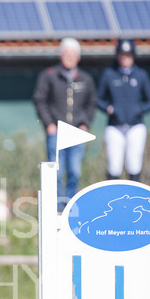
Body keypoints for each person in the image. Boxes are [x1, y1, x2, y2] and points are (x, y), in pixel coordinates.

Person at [33, 37, 96, 210]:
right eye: (66, 53)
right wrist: (49, 124)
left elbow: (92, 103)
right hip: (56, 132)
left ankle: (69, 207)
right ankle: (55, 208)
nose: (69, 57)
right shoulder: (49, 76)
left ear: (78, 57)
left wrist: (85, 124)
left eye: (73, 54)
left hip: (77, 132)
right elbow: (40, 100)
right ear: (61, 55)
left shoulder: (86, 79)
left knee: (75, 171)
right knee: (56, 172)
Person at [96, 39, 150, 182]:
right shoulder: (109, 74)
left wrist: (139, 110)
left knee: (134, 165)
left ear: (133, 55)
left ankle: (133, 199)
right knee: (114, 167)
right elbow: (97, 99)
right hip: (115, 126)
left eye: (128, 54)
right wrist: (108, 108)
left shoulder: (140, 74)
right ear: (117, 55)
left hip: (135, 126)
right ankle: (112, 199)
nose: (125, 58)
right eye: (122, 54)